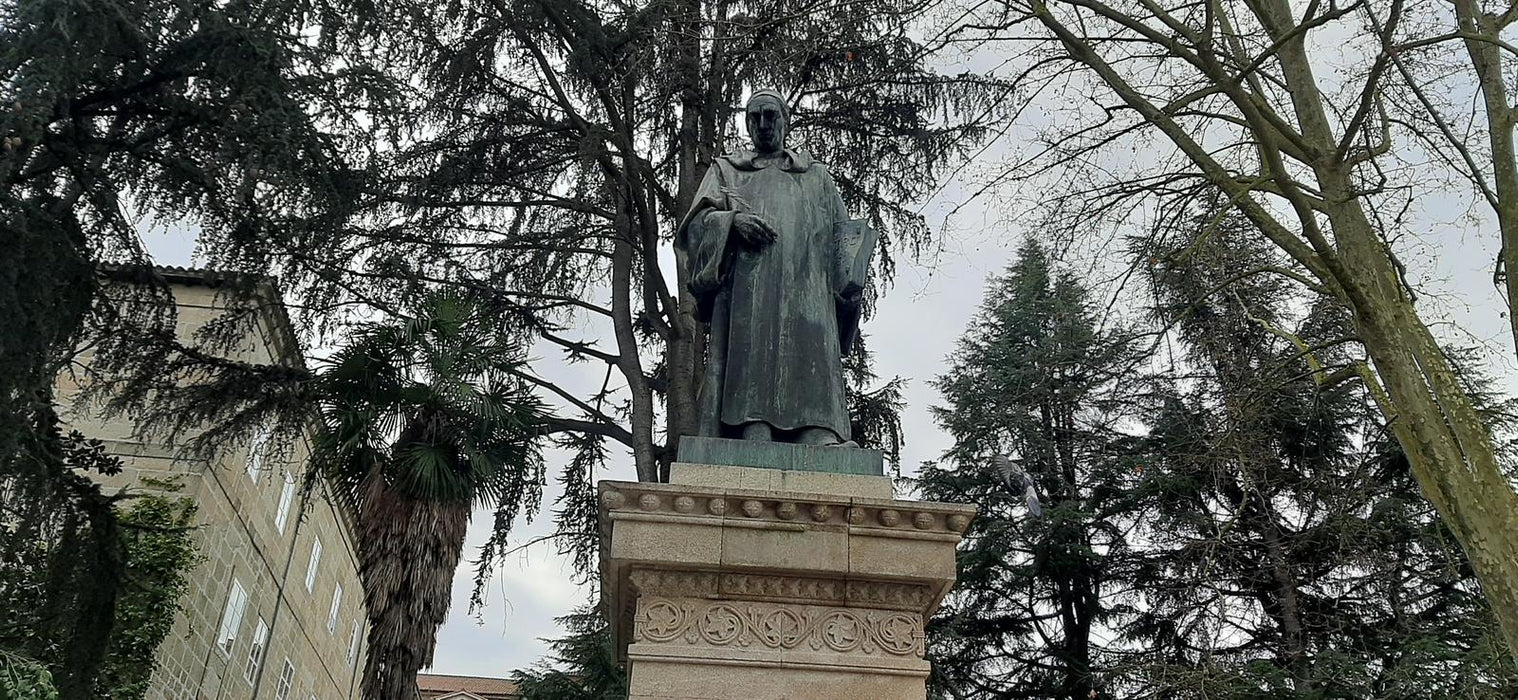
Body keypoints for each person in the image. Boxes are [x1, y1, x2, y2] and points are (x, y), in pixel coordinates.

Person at [677, 89, 870, 446]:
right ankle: (752, 429)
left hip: (807, 291)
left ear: (786, 120)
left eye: (771, 116)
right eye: (755, 118)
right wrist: (730, 223)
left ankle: (818, 432)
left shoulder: (815, 176)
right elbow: (694, 229)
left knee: (812, 351)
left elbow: (843, 237)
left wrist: (849, 279)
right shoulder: (727, 172)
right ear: (747, 123)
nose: (763, 125)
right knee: (754, 351)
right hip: (751, 288)